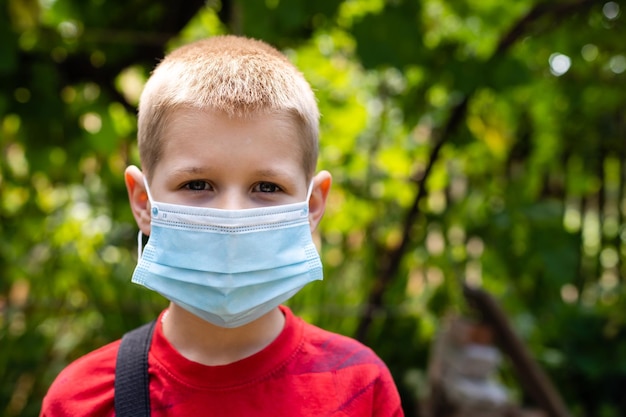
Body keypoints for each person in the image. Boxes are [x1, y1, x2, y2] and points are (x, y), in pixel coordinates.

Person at [40, 35, 404, 416]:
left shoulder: (361, 388)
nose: (232, 218)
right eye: (197, 185)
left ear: (312, 205)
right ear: (143, 202)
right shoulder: (81, 401)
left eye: (267, 187)